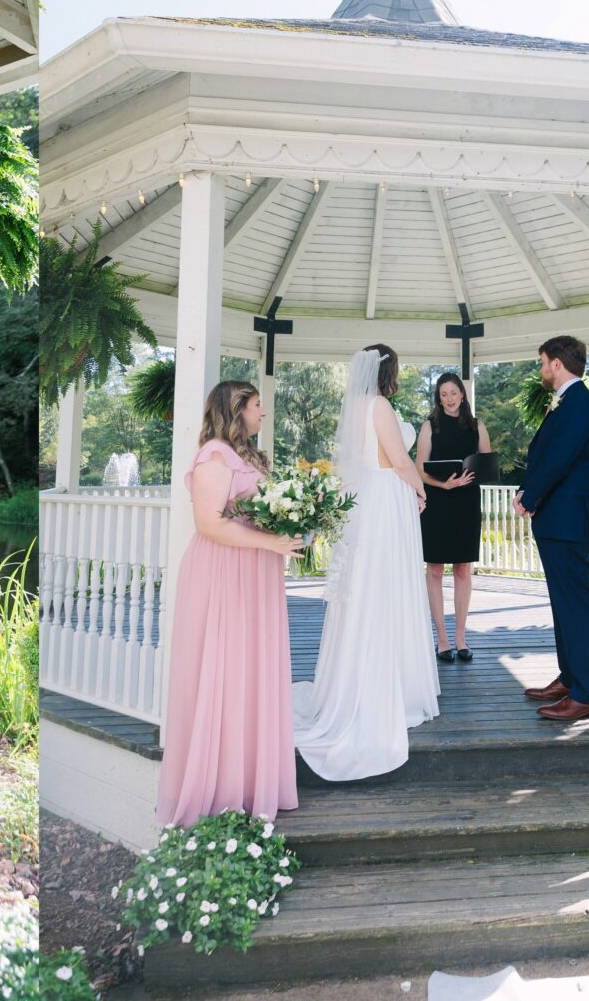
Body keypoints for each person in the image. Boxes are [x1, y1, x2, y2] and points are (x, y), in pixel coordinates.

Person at [156, 381, 303, 828]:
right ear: (237, 410)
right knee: (224, 670)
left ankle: (248, 779)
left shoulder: (245, 457)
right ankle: (215, 786)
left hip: (253, 572)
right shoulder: (215, 456)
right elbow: (209, 524)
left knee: (249, 671)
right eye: (257, 406)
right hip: (223, 572)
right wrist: (271, 541)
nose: (263, 413)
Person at [292, 345, 439, 780]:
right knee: (386, 589)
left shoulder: (355, 408)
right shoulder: (378, 405)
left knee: (366, 590)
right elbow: (398, 461)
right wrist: (421, 490)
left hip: (366, 503)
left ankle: (354, 677)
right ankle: (393, 689)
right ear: (388, 371)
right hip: (385, 505)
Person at [515, 335, 589, 722]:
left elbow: (559, 460)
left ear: (556, 363)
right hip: (558, 519)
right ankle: (571, 678)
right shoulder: (569, 401)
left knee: (576, 604)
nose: (541, 370)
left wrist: (529, 496)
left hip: (568, 520)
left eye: (542, 363)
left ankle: (587, 693)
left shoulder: (579, 403)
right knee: (563, 603)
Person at [415, 372, 492, 663]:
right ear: (439, 397)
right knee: (434, 570)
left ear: (462, 394)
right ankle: (442, 640)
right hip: (438, 501)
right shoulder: (429, 426)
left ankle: (460, 637)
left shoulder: (477, 426)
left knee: (462, 569)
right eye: (443, 394)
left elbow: (487, 464)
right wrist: (442, 484)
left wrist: (474, 474)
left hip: (467, 501)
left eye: (453, 393)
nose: (449, 398)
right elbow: (420, 469)